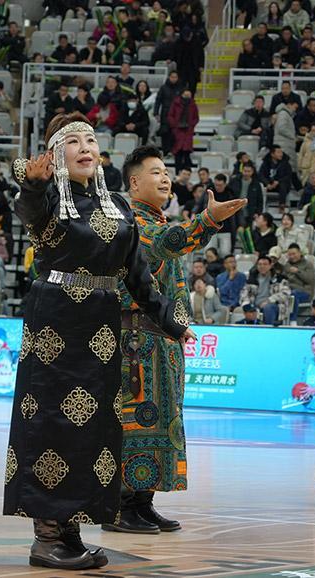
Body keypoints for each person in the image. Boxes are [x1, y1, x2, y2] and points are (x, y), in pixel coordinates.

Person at [3, 113, 192, 570]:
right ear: (56, 155)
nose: (86, 147)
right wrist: (32, 184)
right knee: (51, 425)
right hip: (55, 325)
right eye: (73, 142)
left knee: (93, 431)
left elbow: (140, 277)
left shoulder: (119, 209)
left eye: (91, 139)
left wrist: (172, 322)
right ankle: (45, 538)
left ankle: (69, 533)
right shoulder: (48, 198)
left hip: (102, 332)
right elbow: (28, 210)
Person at [106, 146, 245, 534]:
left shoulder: (154, 220)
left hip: (159, 343)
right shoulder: (129, 222)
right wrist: (207, 220)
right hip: (135, 343)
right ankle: (120, 506)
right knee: (137, 422)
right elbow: (165, 242)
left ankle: (141, 501)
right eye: (155, 173)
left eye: (166, 172)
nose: (165, 179)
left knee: (162, 420)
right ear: (134, 182)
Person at [239, 255, 291, 324]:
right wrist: (246, 304)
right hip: (254, 306)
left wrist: (269, 300)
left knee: (268, 308)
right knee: (241, 309)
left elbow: (285, 293)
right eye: (260, 264)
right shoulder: (251, 279)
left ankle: (267, 331)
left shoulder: (279, 279)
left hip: (274, 305)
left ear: (270, 266)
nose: (262, 266)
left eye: (265, 264)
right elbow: (244, 294)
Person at [166, 88, 198, 173]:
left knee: (186, 152)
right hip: (177, 131)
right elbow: (170, 115)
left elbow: (196, 118)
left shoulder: (193, 104)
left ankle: (187, 174)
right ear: (182, 95)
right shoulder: (175, 103)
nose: (187, 97)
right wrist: (174, 125)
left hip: (188, 131)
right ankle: (177, 173)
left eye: (189, 95)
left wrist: (191, 125)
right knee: (178, 152)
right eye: (185, 95)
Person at [283, 243, 315, 321]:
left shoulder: (308, 264)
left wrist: (298, 271)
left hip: (304, 292)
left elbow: (310, 279)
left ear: (299, 253)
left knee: (293, 295)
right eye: (290, 254)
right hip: (288, 290)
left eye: (294, 254)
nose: (292, 256)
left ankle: (292, 320)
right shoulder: (287, 265)